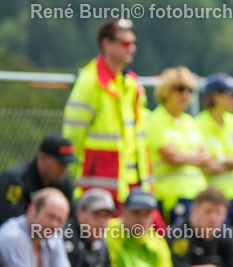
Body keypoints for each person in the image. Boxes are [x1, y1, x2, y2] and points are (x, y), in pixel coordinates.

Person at [62, 17, 153, 205]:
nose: (132, 48)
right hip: (98, 184)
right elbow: (73, 134)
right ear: (106, 44)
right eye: (125, 43)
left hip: (132, 184)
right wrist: (72, 176)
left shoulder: (132, 84)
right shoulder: (90, 82)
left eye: (134, 43)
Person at [147, 67, 210, 223]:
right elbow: (171, 157)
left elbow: (207, 156)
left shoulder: (189, 121)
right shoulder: (156, 120)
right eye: (180, 89)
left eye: (190, 90)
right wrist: (196, 156)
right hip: (171, 196)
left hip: (197, 195)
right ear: (166, 90)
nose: (185, 94)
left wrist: (183, 156)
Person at [195, 73, 233, 224]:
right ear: (215, 96)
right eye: (232, 95)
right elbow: (207, 167)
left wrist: (220, 158)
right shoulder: (196, 125)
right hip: (212, 199)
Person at [0, 133, 77, 224]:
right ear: (43, 158)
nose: (64, 170)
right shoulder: (15, 180)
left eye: (67, 165)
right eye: (60, 164)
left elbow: (72, 217)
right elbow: (10, 222)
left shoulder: (63, 182)